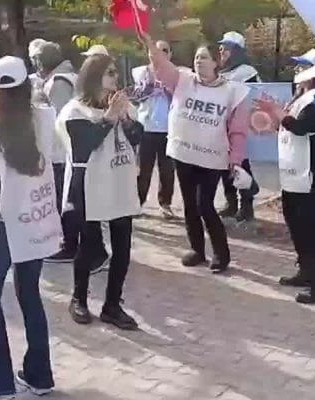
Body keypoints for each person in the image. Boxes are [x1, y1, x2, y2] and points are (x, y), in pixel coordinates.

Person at [0, 56, 59, 400]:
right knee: (29, 292)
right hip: (37, 219)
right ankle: (39, 373)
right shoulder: (45, 118)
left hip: (5, 227)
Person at [147, 37, 250, 273]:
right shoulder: (183, 79)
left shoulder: (233, 91)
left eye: (204, 57)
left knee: (205, 205)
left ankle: (221, 255)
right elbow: (162, 67)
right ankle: (197, 250)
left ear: (216, 62)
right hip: (183, 154)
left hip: (212, 159)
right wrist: (151, 46)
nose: (198, 61)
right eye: (196, 57)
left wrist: (235, 161)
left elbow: (238, 131)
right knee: (190, 205)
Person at [57, 52, 143, 330]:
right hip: (90, 185)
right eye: (109, 72)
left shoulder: (122, 106)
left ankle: (112, 305)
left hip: (120, 182)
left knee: (122, 248)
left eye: (116, 72)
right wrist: (109, 117)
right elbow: (84, 146)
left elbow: (137, 137)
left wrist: (127, 120)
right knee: (89, 247)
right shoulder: (74, 110)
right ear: (93, 77)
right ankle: (78, 298)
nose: (115, 77)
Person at [256, 50, 315, 304]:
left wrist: (277, 111)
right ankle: (305, 271)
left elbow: (305, 125)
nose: (298, 71)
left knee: (313, 230)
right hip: (293, 177)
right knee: (297, 226)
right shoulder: (301, 97)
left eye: (304, 67)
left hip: (311, 176)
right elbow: (287, 127)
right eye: (297, 67)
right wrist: (273, 116)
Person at [31, 42, 93, 267]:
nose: (35, 64)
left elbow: (56, 120)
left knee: (65, 200)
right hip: (69, 150)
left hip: (60, 151)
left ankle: (69, 246)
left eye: (37, 60)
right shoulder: (70, 77)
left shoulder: (58, 83)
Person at [217, 31, 261, 223]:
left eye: (227, 48)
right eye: (221, 47)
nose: (222, 51)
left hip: (239, 127)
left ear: (237, 51)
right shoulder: (219, 72)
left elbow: (255, 97)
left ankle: (247, 205)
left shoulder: (247, 72)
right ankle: (231, 202)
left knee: (241, 165)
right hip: (221, 126)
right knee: (223, 165)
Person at [131, 40, 176, 218]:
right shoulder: (141, 72)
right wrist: (148, 86)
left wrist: (167, 89)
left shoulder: (176, 74)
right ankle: (137, 203)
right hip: (146, 127)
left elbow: (181, 99)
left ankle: (165, 203)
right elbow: (135, 96)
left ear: (170, 54)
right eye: (156, 50)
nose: (160, 53)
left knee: (167, 170)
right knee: (143, 169)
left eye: (165, 50)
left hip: (168, 129)